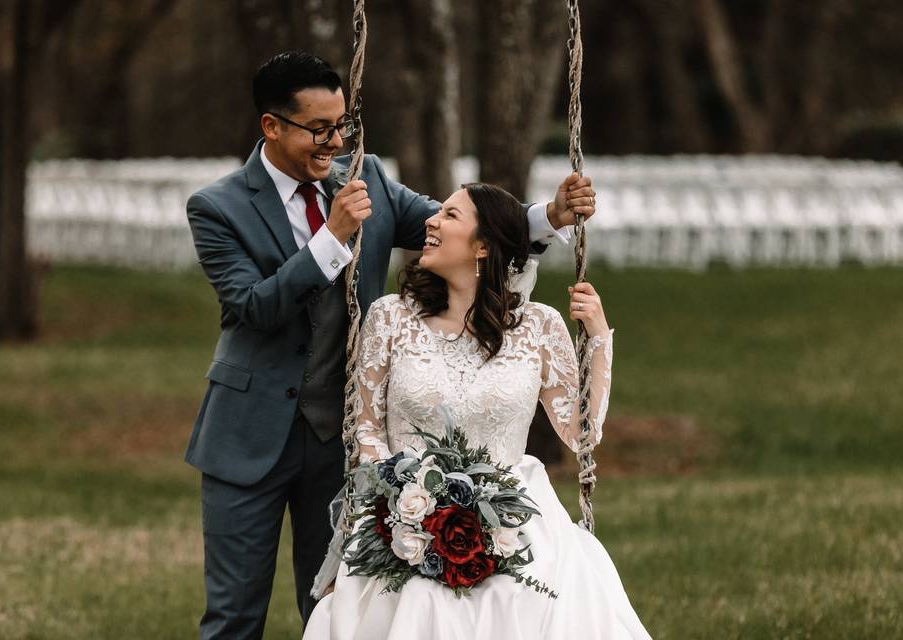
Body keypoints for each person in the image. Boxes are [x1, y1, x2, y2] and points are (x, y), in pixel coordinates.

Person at [185, 51, 597, 639]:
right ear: (271, 126)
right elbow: (253, 308)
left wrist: (548, 216)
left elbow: (456, 228)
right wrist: (333, 239)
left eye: (341, 125)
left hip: (342, 438)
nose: (333, 142)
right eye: (318, 129)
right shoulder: (217, 206)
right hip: (246, 433)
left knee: (333, 607)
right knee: (233, 616)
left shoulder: (365, 176)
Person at [303, 183, 651, 639]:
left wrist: (598, 336)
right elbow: (366, 432)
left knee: (527, 597)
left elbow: (582, 434)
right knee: (418, 602)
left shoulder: (539, 327)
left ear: (483, 246)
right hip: (405, 523)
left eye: (449, 216)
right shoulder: (390, 318)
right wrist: (408, 509)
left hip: (514, 525)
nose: (430, 221)